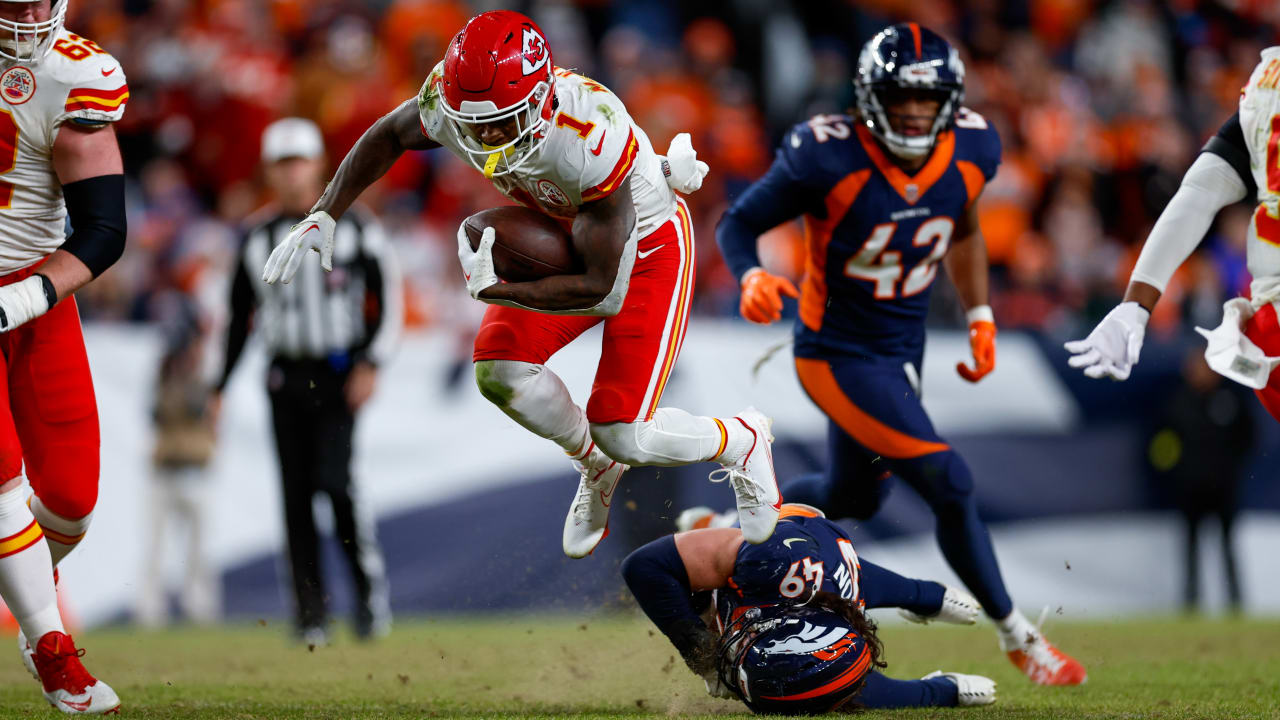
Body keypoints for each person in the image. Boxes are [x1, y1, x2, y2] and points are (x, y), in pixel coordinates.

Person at [259, 10, 782, 558]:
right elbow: (390, 134)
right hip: (567, 228)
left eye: (502, 122)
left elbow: (601, 286)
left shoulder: (589, 135)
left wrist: (500, 292)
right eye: (475, 125)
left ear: (540, 101)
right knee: (500, 373)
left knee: (624, 430)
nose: (485, 137)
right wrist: (326, 212)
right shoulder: (452, 103)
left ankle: (740, 438)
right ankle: (594, 464)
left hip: (645, 249)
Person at [714, 23, 1085, 685]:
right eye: (900, 98)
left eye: (927, 99)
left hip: (900, 348)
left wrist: (979, 315)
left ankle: (726, 528)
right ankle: (1018, 634)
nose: (914, 112)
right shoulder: (826, 154)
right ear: (867, 97)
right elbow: (738, 220)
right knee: (949, 480)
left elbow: (963, 222)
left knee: (848, 496)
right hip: (835, 352)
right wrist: (748, 274)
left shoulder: (974, 146)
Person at [215, 117, 401, 645]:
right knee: (294, 498)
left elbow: (388, 300)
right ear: (270, 171)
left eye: (300, 161)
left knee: (337, 488)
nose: (293, 173)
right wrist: (217, 388)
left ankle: (367, 600)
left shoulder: (358, 226)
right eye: (283, 163)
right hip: (283, 377)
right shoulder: (254, 237)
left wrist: (371, 363)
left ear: (319, 165)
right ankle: (310, 614)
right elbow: (237, 318)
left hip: (338, 374)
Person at [0, 0, 127, 712]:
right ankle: (52, 650)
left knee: (71, 502)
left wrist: (24, 300)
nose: (21, 16)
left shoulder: (73, 72)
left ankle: (23, 588)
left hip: (36, 301)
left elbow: (105, 230)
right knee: (1, 485)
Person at [1065, 47, 1280, 418]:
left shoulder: (1270, 81)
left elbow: (1202, 190)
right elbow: (1205, 186)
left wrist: (1136, 303)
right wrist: (1135, 303)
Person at [622, 503, 997, 713]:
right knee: (736, 549)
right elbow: (643, 567)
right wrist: (701, 653)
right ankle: (718, 526)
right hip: (791, 538)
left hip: (808, 570)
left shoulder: (837, 622)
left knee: (920, 596)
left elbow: (872, 688)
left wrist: (942, 691)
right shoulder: (769, 563)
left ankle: (716, 528)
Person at [137, 278, 221, 626]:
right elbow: (156, 413)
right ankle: (149, 612)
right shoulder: (162, 374)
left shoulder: (204, 373)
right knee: (154, 547)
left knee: (199, 551)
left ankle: (200, 610)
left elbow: (205, 412)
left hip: (195, 468)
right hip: (166, 467)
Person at [1146, 348, 1253, 613]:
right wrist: (1174, 474)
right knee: (1190, 548)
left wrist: (1230, 467)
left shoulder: (1230, 399)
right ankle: (1191, 603)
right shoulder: (1177, 402)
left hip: (1223, 487)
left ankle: (1235, 603)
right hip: (1190, 488)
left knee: (1227, 546)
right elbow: (1159, 444)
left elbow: (1248, 437)